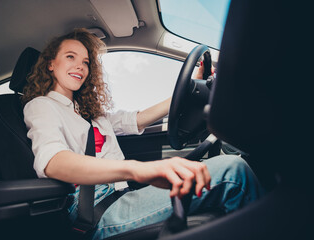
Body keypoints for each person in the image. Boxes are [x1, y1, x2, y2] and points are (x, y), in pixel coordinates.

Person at [22, 28, 264, 239]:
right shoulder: (42, 106)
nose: (80, 66)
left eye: (86, 62)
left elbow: (138, 119)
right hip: (93, 209)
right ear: (51, 64)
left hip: (121, 195)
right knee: (233, 171)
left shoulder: (92, 115)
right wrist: (138, 169)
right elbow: (53, 161)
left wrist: (192, 87)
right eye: (70, 57)